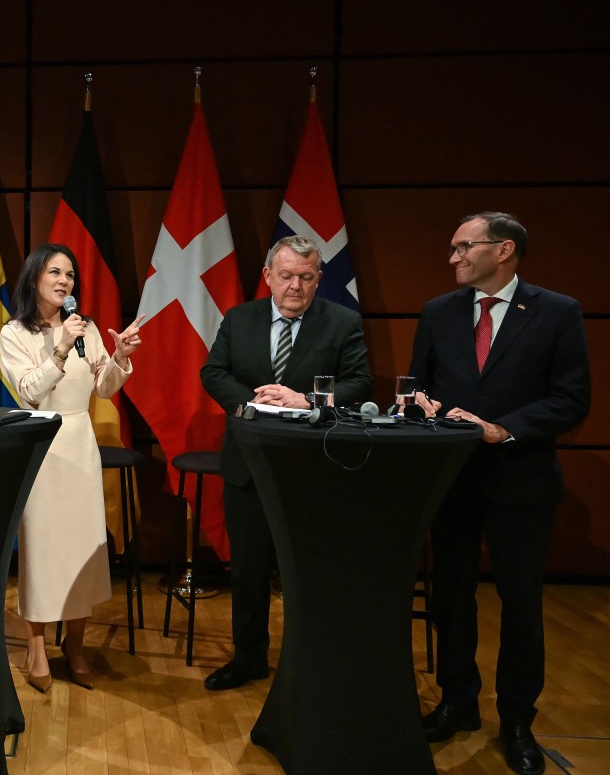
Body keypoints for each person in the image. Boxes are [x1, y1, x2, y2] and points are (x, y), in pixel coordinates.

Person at [410, 212, 589, 775]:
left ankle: (517, 721)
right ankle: (457, 702)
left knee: (521, 607)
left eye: (464, 247)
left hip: (521, 482)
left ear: (503, 250)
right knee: (452, 598)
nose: (453, 257)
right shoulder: (439, 312)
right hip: (454, 481)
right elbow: (416, 386)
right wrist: (420, 405)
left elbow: (571, 399)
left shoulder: (557, 312)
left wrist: (502, 429)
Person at [200, 235, 372, 691]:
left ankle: (307, 663)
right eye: (286, 276)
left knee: (307, 574)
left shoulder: (342, 322)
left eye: (306, 277)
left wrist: (304, 399)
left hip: (312, 469)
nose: (295, 286)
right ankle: (248, 659)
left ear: (318, 279)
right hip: (248, 464)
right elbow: (213, 372)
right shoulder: (240, 318)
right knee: (250, 571)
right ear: (268, 277)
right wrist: (252, 405)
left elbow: (360, 383)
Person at [0, 243, 143, 693]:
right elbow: (30, 393)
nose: (64, 282)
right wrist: (59, 348)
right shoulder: (14, 333)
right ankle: (36, 647)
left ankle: (75, 647)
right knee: (43, 550)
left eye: (70, 275)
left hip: (80, 443)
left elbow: (103, 388)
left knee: (81, 549)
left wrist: (119, 357)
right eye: (55, 273)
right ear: (34, 279)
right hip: (41, 443)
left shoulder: (87, 328)